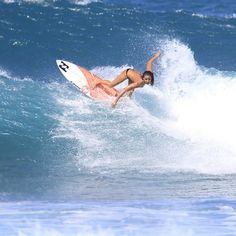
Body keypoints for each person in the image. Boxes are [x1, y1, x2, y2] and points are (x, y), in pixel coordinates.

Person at [92, 51, 161, 108]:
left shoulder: (149, 73)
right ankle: (98, 81)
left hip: (134, 76)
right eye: (146, 79)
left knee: (130, 93)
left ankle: (125, 101)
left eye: (149, 79)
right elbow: (125, 89)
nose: (148, 81)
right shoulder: (139, 83)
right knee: (111, 85)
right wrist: (115, 101)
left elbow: (149, 62)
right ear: (143, 78)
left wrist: (156, 56)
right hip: (127, 73)